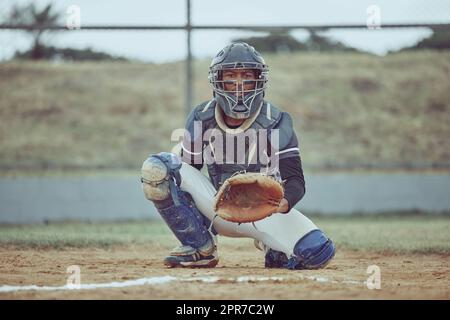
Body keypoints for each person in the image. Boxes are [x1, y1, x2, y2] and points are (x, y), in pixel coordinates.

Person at [141, 42, 335, 269]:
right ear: (218, 81)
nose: (239, 85)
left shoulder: (277, 119)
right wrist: (196, 215)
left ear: (259, 80)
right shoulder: (202, 116)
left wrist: (280, 205)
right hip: (218, 208)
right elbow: (188, 173)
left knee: (317, 251)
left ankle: (271, 245)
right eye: (231, 76)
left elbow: (296, 181)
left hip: (265, 212)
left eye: (247, 76)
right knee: (158, 168)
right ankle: (200, 247)